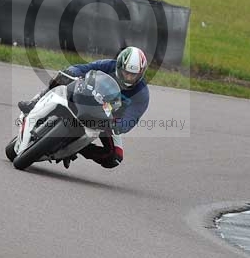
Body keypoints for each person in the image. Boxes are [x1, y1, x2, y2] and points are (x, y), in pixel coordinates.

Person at [17, 46, 150, 169]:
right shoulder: (108, 65)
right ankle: (35, 102)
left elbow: (131, 117)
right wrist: (72, 72)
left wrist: (119, 125)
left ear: (141, 74)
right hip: (87, 98)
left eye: (134, 75)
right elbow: (84, 68)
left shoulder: (142, 95)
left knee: (115, 157)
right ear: (119, 65)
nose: (129, 77)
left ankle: (79, 148)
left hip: (107, 119)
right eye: (126, 72)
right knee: (62, 77)